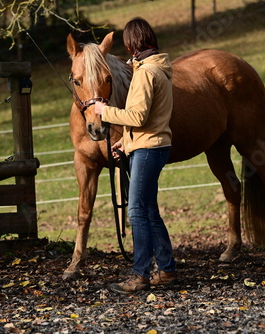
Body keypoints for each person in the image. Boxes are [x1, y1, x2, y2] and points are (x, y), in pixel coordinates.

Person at [94, 17, 176, 294]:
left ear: (131, 45)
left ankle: (140, 275)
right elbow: (149, 120)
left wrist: (102, 111)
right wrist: (125, 144)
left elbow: (137, 117)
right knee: (150, 211)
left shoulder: (145, 74)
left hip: (149, 149)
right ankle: (166, 270)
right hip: (152, 145)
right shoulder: (158, 68)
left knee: (137, 211)